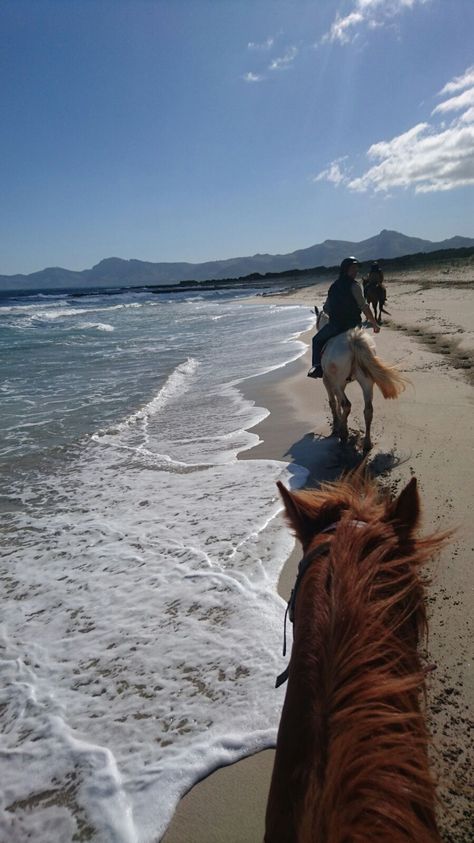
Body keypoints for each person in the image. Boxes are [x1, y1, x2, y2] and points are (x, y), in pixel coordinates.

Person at [308, 257, 380, 379]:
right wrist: (374, 323)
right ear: (346, 270)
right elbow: (364, 306)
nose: (356, 271)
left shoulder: (334, 286)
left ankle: (317, 367)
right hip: (354, 326)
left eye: (357, 269)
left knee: (316, 340)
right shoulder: (355, 286)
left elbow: (326, 308)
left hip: (336, 326)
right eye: (353, 269)